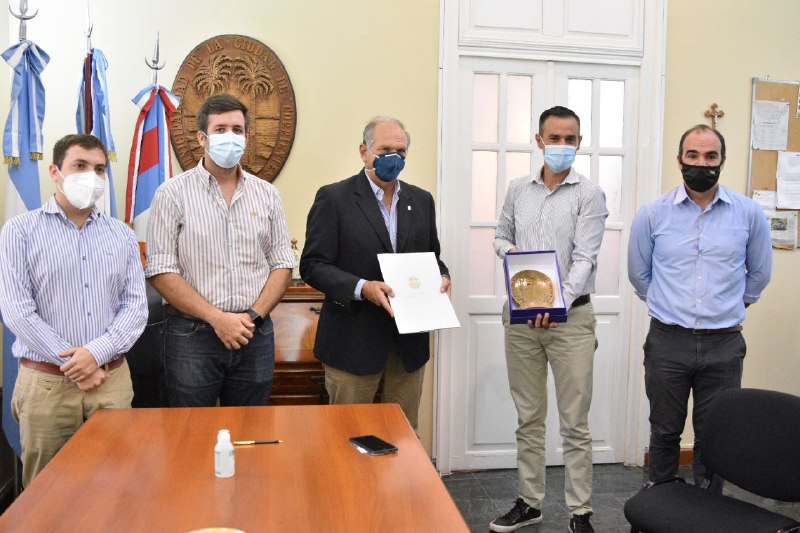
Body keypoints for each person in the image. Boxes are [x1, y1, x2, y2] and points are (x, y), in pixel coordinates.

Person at [628, 124, 772, 492]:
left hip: (724, 344)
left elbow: (759, 274)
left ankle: (708, 509)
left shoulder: (749, 213)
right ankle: (660, 502)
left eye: (710, 156)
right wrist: (669, 305)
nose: (701, 164)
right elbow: (639, 275)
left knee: (714, 436)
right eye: (692, 155)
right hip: (668, 341)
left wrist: (728, 306)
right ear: (679, 160)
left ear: (722, 160)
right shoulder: (653, 214)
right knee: (664, 430)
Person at [0, 134, 148, 486]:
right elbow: (17, 310)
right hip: (47, 386)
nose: (91, 176)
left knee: (116, 487)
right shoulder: (20, 231)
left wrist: (95, 354)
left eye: (99, 169)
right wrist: (75, 365)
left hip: (109, 380)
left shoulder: (122, 235)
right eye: (79, 166)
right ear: (55, 172)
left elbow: (135, 307)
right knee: (46, 491)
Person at [492, 106, 607, 533]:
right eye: (554, 138)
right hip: (521, 317)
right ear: (539, 140)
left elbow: (585, 258)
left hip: (570, 321)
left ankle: (581, 512)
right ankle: (529, 502)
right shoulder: (518, 189)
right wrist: (513, 256)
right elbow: (500, 236)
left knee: (575, 423)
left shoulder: (589, 194)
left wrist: (554, 302)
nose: (562, 145)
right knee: (528, 417)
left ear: (579, 143)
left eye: (570, 139)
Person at [299, 116, 450, 431]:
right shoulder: (334, 198)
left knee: (402, 435)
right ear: (364, 151)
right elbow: (312, 265)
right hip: (352, 341)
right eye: (385, 150)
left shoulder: (421, 200)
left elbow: (432, 258)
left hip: (408, 345)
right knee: (348, 434)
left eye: (401, 151)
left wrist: (442, 277)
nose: (394, 158)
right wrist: (361, 287)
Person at [146, 94, 294, 407]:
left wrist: (252, 317)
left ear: (246, 136)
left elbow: (282, 263)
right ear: (202, 138)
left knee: (250, 428)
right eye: (221, 129)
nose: (231, 136)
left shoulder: (267, 194)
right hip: (192, 336)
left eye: (237, 130)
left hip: (254, 334)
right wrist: (217, 318)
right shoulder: (172, 193)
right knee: (190, 428)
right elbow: (161, 269)